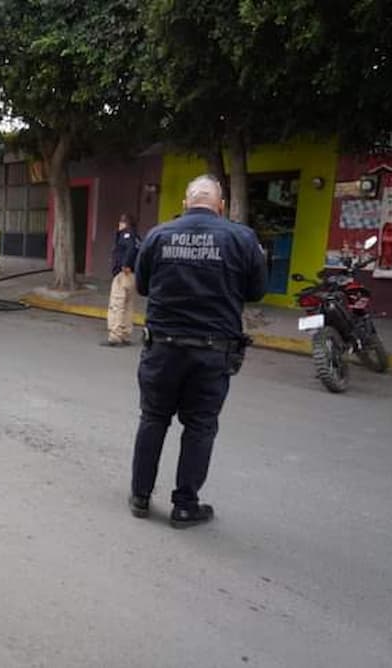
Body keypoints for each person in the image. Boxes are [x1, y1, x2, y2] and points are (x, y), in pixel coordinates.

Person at [128, 175, 266, 528]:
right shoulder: (241, 238)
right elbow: (256, 291)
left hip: (162, 348)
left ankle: (140, 496)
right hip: (212, 352)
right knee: (200, 427)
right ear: (220, 205)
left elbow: (142, 286)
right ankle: (185, 505)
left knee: (154, 418)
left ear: (187, 203)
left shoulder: (159, 235)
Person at [103, 213, 140, 346]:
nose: (119, 224)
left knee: (117, 305)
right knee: (128, 305)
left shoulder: (126, 235)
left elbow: (129, 251)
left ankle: (115, 336)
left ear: (125, 223)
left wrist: (125, 265)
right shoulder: (137, 237)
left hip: (123, 274)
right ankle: (125, 334)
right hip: (133, 275)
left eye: (121, 222)